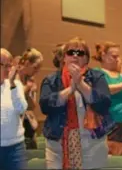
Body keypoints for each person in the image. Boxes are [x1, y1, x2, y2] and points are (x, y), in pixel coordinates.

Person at [39, 37, 113, 169]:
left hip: (92, 145)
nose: (75, 56)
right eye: (71, 52)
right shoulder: (51, 80)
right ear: (64, 58)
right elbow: (45, 106)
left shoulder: (97, 77)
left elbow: (104, 104)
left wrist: (81, 84)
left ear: (86, 58)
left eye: (80, 53)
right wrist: (70, 90)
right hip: (58, 145)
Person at [0, 48, 28, 170]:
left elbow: (22, 109)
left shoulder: (16, 85)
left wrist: (12, 85)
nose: (8, 70)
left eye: (10, 66)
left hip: (15, 148)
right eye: (5, 66)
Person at [15, 48, 43, 149]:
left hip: (28, 124)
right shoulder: (12, 76)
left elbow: (32, 106)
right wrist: (27, 89)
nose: (37, 71)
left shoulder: (30, 80)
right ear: (27, 63)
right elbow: (14, 100)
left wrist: (30, 90)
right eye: (35, 67)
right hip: (14, 127)